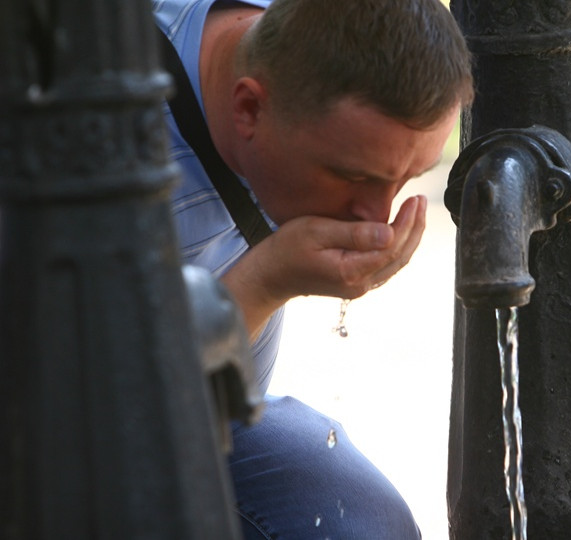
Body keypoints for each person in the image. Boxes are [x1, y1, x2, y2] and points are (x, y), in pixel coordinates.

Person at [153, 0, 473, 537]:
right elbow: (105, 430)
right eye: (352, 175)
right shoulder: (110, 149)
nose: (378, 216)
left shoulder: (295, 30)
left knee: (362, 522)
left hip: (212, 411)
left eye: (409, 177)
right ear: (249, 109)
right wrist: (267, 278)